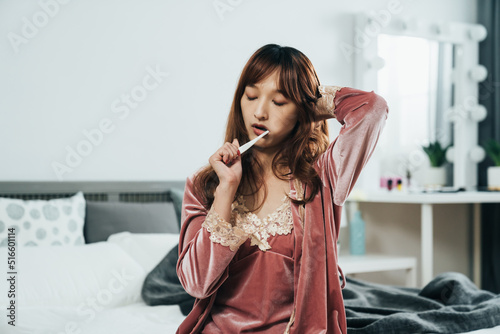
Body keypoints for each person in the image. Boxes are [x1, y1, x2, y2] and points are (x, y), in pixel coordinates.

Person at [176, 44, 388, 333]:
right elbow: (196, 283)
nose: (259, 111)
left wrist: (313, 100)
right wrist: (226, 190)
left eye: (279, 102)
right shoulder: (205, 185)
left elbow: (372, 109)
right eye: (251, 96)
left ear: (303, 109)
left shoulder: (323, 177)